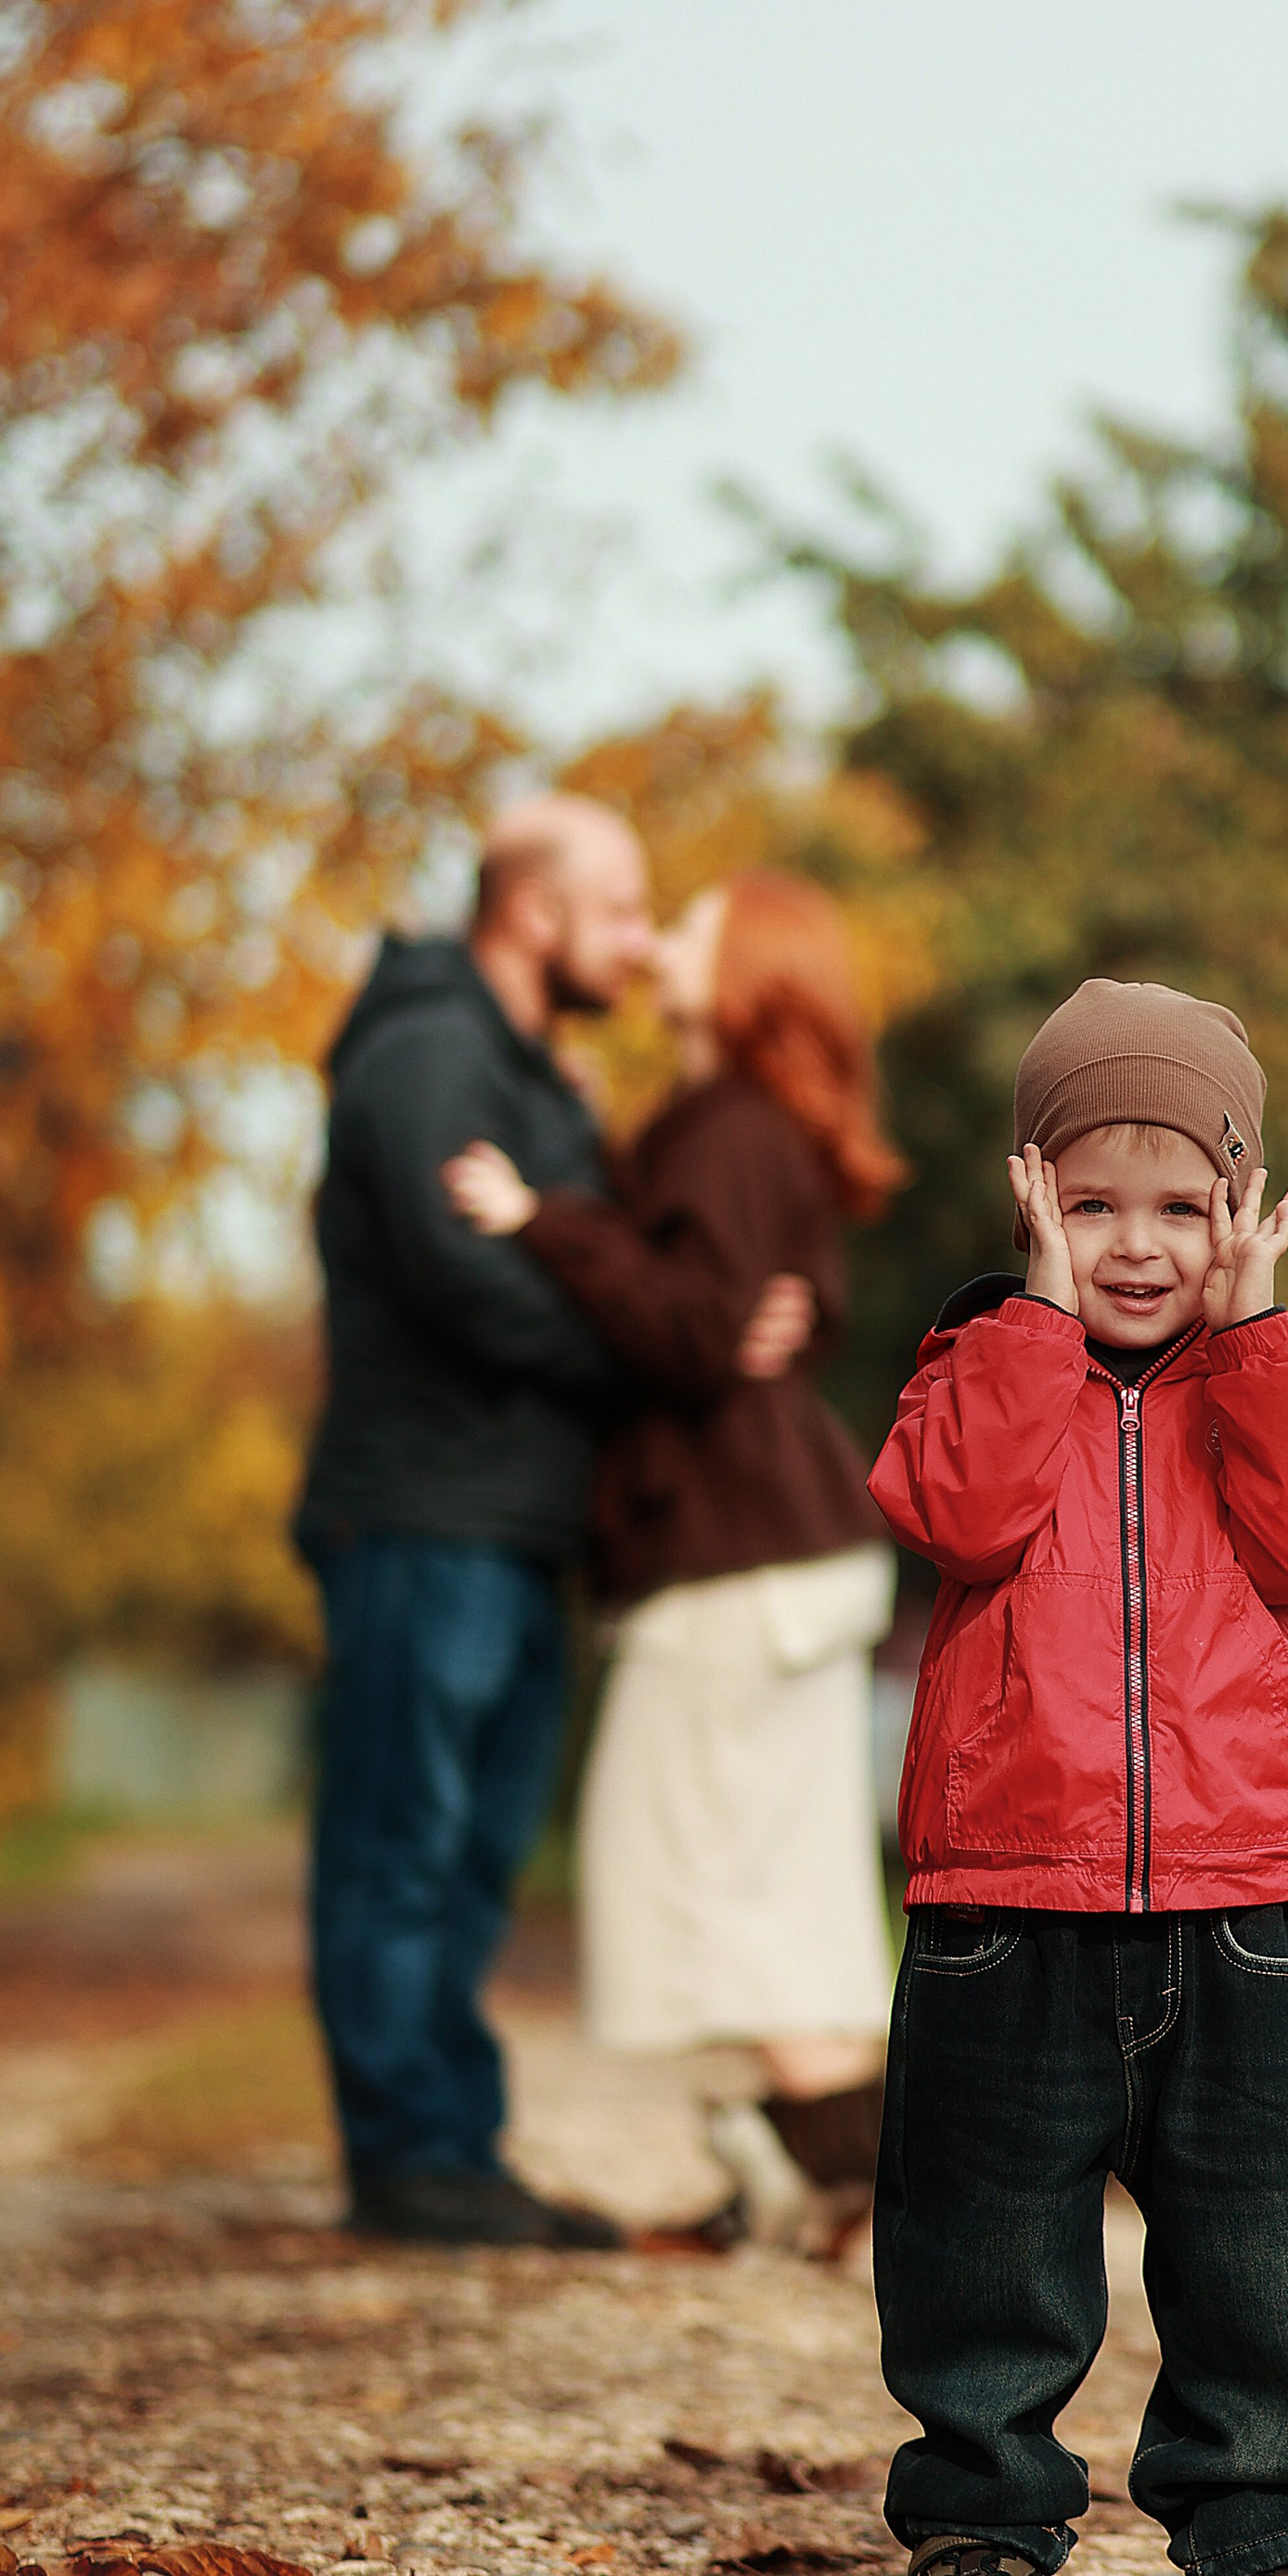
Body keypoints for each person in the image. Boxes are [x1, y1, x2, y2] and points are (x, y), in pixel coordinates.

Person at [863, 978, 1288, 2576]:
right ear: (1029, 1198)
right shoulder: (973, 1366)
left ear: (1244, 1210)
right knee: (984, 2254)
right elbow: (954, 1513)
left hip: (1249, 1906)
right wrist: (1027, 1319)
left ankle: (1265, 2570)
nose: (1141, 1247)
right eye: (1093, 1205)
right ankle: (979, 2544)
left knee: (1269, 2260)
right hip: (1005, 1902)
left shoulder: (1269, 1379)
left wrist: (1262, 1340)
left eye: (1186, 1207)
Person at [444, 870, 905, 2253]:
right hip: (774, 1549)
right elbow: (760, 1294)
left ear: (750, 969)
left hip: (734, 1559)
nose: (660, 943)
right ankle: (837, 2157)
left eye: (689, 925)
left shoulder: (723, 1126)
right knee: (774, 1874)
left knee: (708, 1871)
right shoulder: (738, 1126)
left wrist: (544, 1220)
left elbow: (699, 1331)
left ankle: (882, 2153)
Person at [295, 795, 655, 2249]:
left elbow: (595, 1259)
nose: (635, 942)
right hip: (421, 1514)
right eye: (620, 910)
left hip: (511, 1524)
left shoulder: (536, 1077)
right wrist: (637, 1346)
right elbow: (472, 1284)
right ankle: (411, 2159)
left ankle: (451, 2144)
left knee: (473, 1848)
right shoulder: (433, 1049)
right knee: (404, 1839)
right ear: (534, 911)